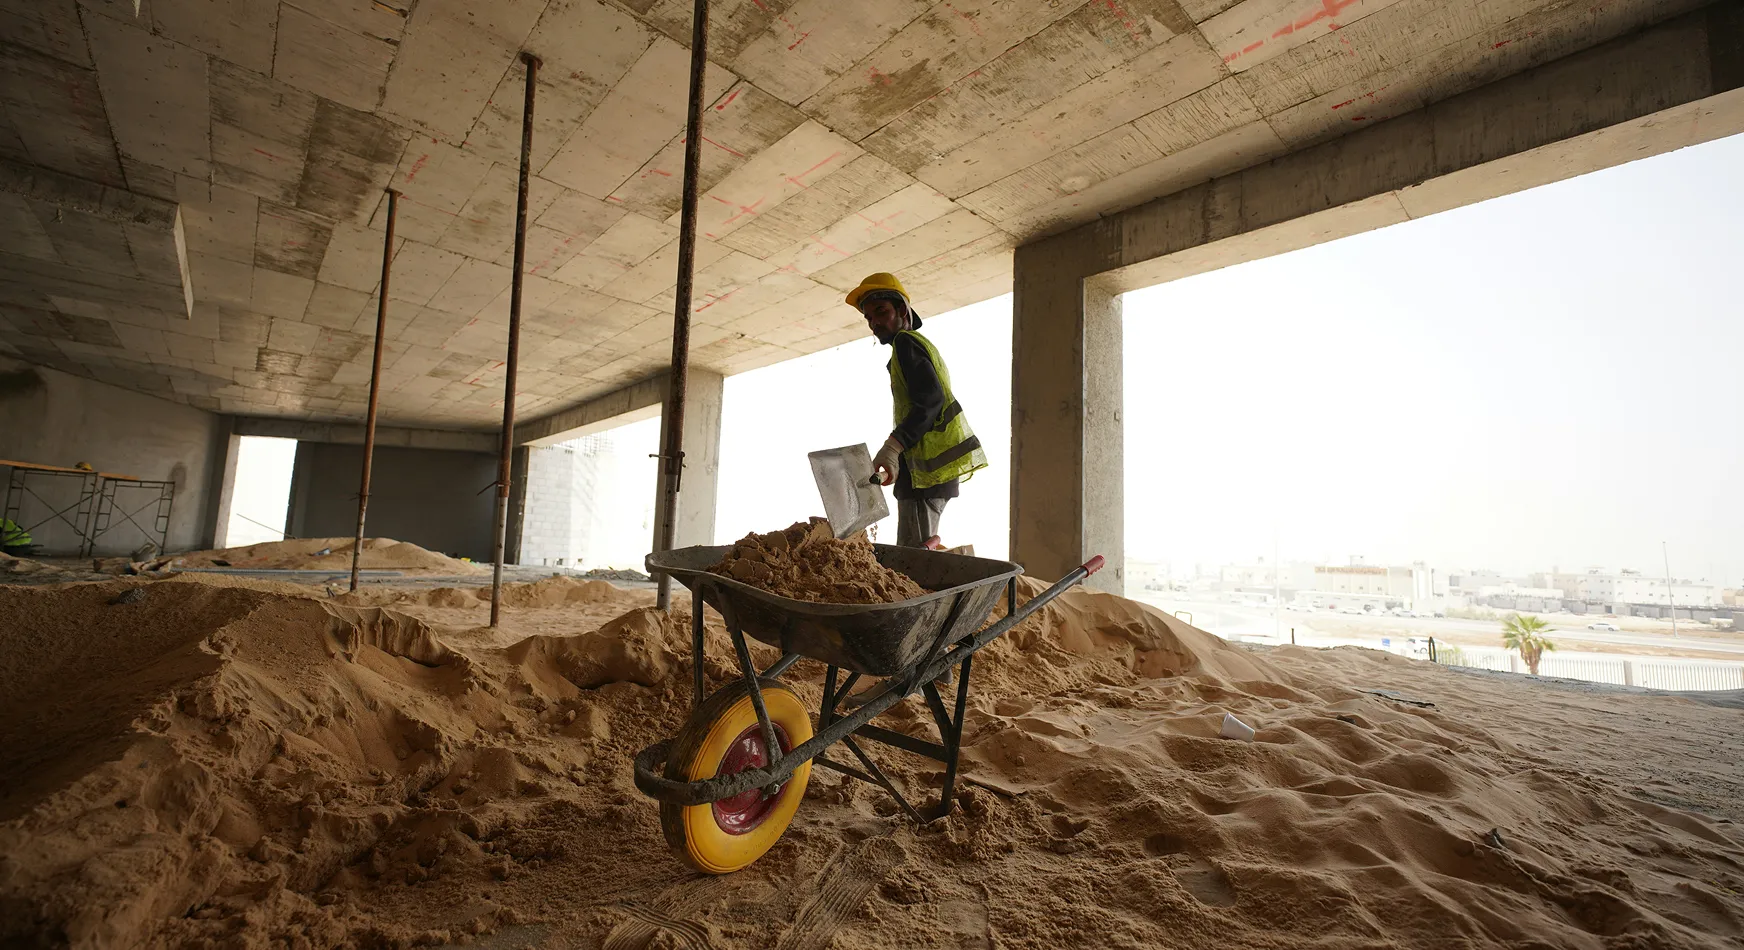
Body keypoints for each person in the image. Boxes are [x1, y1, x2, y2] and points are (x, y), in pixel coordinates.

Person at [847, 272, 988, 548]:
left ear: (902, 310)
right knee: (920, 553)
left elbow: (931, 400)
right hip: (927, 474)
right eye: (868, 318)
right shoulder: (918, 346)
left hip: (925, 476)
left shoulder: (905, 343)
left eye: (881, 312)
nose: (874, 323)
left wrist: (894, 446)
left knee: (913, 560)